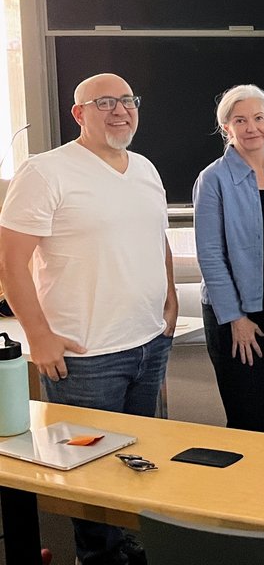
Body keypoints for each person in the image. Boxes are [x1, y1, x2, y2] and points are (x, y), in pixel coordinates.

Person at [0, 73, 176, 565]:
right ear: (78, 114)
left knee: (139, 456)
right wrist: (39, 336)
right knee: (87, 466)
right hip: (85, 354)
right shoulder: (46, 171)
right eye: (104, 103)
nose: (120, 110)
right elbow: (10, 261)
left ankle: (129, 542)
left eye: (127, 100)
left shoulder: (144, 167)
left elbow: (155, 235)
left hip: (148, 341)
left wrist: (170, 300)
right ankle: (97, 556)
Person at [193, 84, 264, 433]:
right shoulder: (213, 179)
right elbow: (210, 255)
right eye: (240, 120)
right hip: (236, 315)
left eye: (259, 118)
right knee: (248, 418)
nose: (251, 127)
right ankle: (244, 486)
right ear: (227, 127)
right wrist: (236, 318)